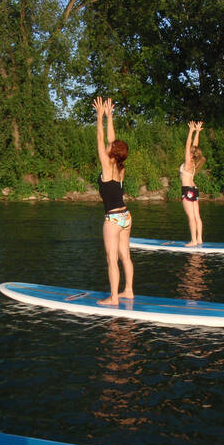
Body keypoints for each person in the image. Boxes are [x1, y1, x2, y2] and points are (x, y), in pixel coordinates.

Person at [93, 96, 134, 305]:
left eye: (112, 146)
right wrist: (111, 116)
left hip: (113, 219)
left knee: (112, 259)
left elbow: (101, 141)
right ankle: (128, 291)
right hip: (126, 216)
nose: (109, 146)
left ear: (112, 152)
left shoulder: (107, 166)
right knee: (125, 256)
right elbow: (112, 141)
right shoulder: (119, 166)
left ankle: (114, 298)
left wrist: (99, 117)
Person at [180, 121, 205, 246]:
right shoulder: (194, 162)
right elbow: (194, 146)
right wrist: (197, 132)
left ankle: (194, 241)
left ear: (190, 153)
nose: (189, 150)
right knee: (197, 216)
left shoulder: (189, 162)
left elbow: (188, 145)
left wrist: (191, 131)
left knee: (191, 217)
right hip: (194, 189)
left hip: (187, 190)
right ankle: (199, 239)